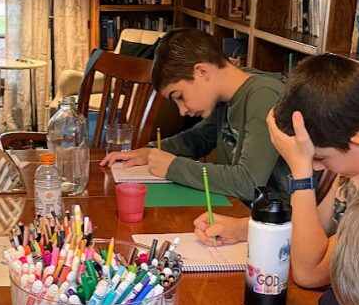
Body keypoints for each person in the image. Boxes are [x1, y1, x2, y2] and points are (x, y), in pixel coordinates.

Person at [193, 54, 359, 289]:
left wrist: (301, 172)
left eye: (320, 157)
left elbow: (310, 273)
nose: (316, 165)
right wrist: (247, 229)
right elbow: (321, 228)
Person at [99, 28, 289, 204]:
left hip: (273, 225)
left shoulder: (263, 95)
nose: (182, 110)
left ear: (202, 72)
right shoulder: (227, 94)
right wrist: (151, 151)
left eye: (180, 96)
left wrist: (172, 167)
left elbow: (248, 183)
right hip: (240, 210)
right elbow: (199, 138)